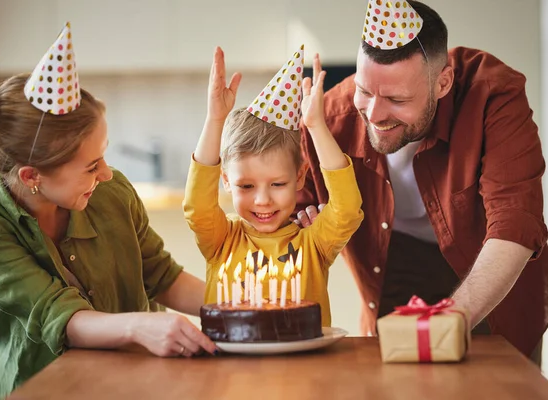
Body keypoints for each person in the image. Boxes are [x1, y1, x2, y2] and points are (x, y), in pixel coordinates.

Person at [0, 24, 216, 399]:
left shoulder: (112, 190)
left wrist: (239, 305)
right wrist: (139, 327)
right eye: (91, 165)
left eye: (103, 155)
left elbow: (160, 274)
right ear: (32, 176)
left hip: (142, 382)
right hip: (45, 386)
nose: (106, 173)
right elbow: (54, 312)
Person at [295, 0, 547, 363]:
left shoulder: (493, 93)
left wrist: (450, 319)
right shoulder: (329, 118)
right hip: (391, 270)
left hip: (493, 280)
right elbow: (286, 219)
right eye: (364, 91)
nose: (375, 114)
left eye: (397, 99)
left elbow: (515, 221)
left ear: (443, 82)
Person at [183, 45, 363, 326]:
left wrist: (316, 126)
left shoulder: (313, 243)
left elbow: (347, 208)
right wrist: (215, 119)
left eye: (278, 183)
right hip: (227, 368)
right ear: (226, 181)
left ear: (300, 177)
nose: (262, 200)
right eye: (246, 186)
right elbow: (198, 207)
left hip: (304, 369)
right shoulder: (221, 240)